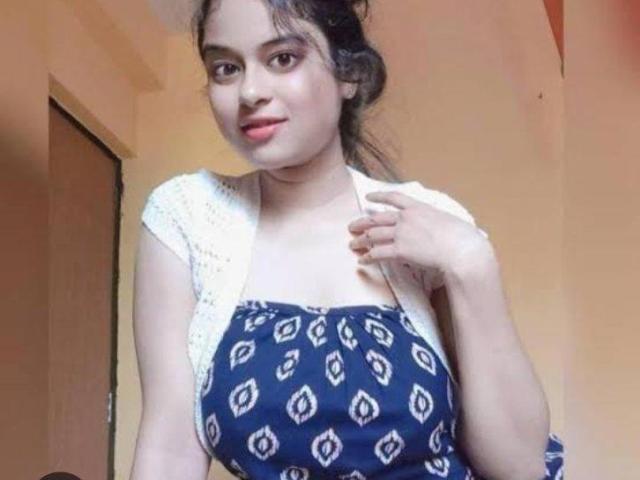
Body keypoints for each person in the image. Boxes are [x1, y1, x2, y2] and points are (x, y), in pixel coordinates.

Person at [131, 0, 564, 479]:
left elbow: (520, 467)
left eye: (283, 59)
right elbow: (170, 448)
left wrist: (471, 262)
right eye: (226, 68)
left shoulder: (431, 221)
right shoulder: (188, 218)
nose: (250, 91)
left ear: (349, 74)